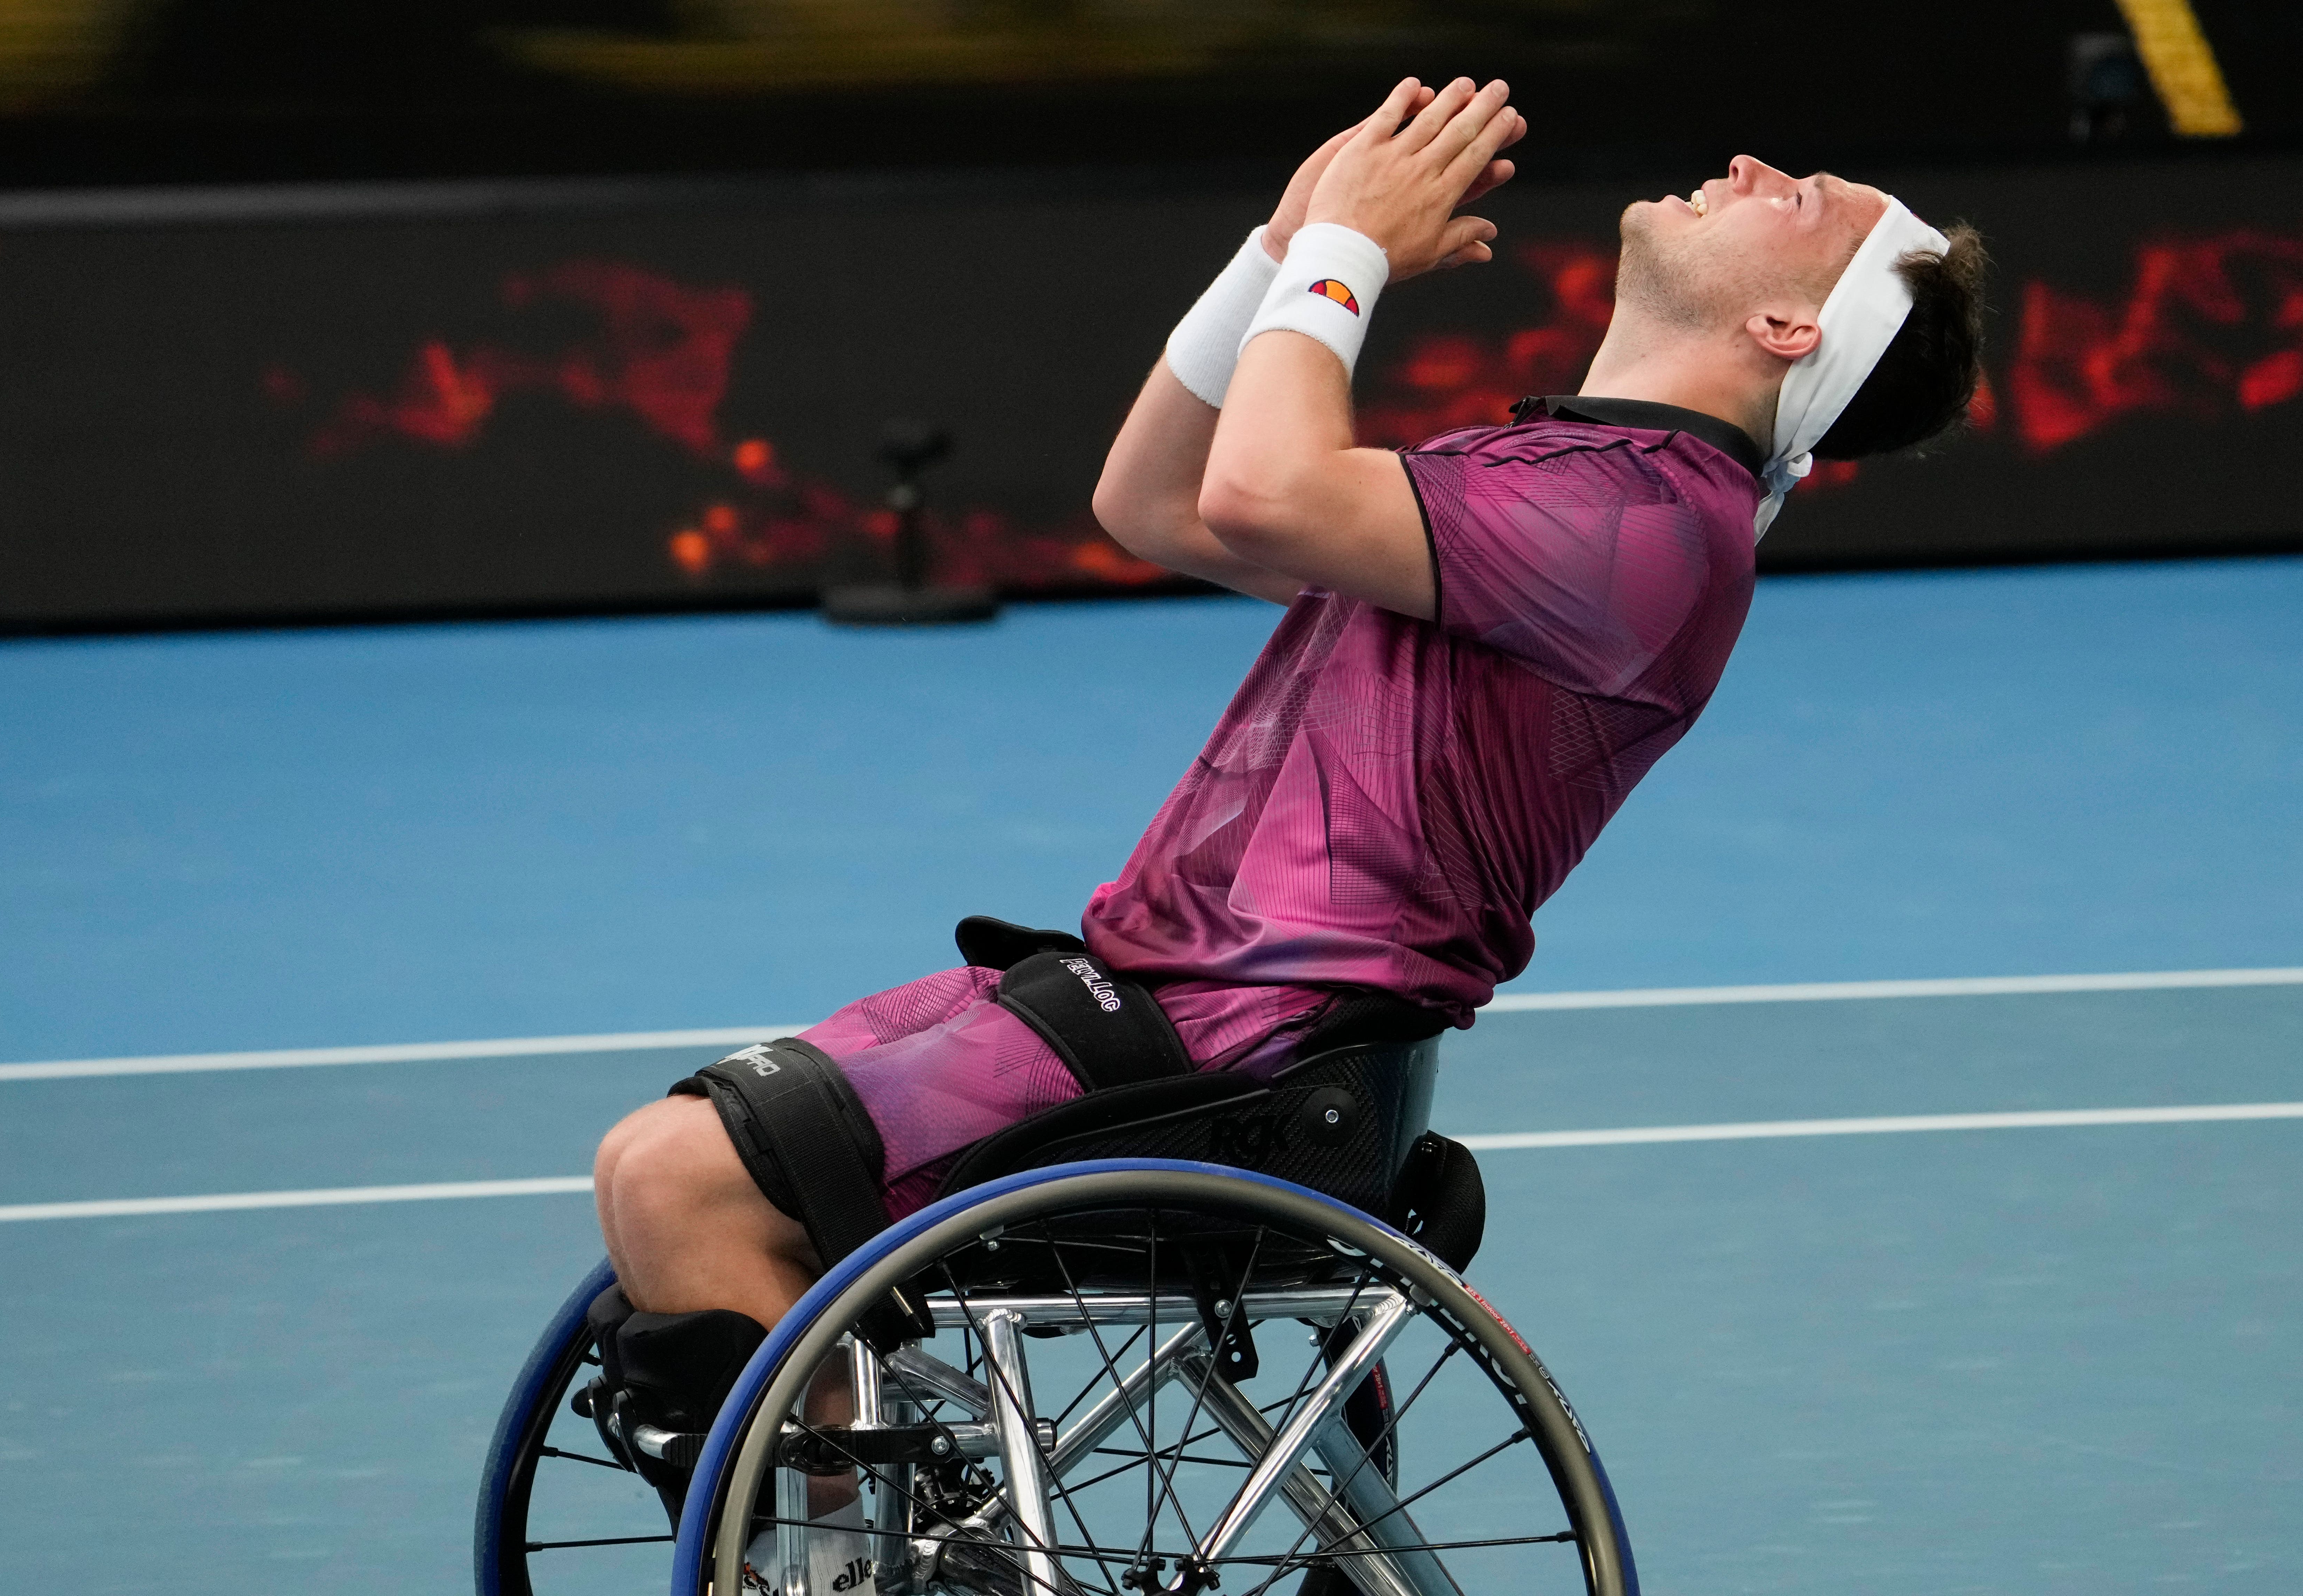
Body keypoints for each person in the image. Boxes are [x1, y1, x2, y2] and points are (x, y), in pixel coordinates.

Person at [583, 74, 1989, 1538]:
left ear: (1791, 329)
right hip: (1154, 998)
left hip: (1243, 1054)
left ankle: (852, 1548)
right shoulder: (1579, 483)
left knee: (683, 1181)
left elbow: (1262, 493)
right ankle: (877, 1540)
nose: (1754, 159)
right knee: (653, 1174)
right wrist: (1283, 246)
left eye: (1803, 199)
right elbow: (1162, 502)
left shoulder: (1645, 527)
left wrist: (1350, 256)